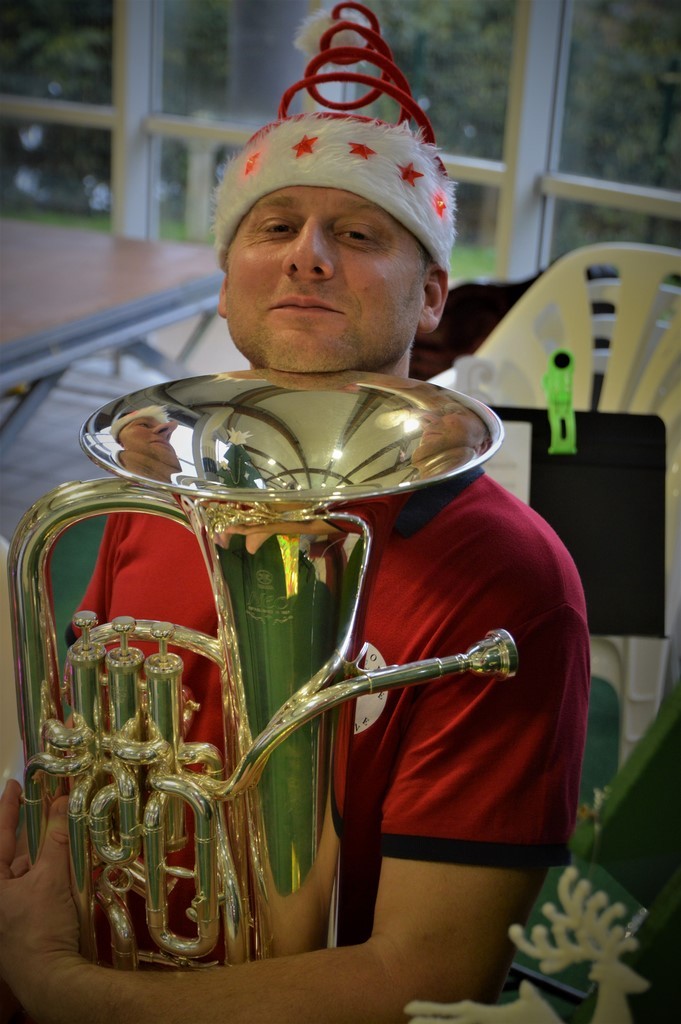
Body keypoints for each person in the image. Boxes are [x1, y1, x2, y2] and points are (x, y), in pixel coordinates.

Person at [0, 4, 590, 1023]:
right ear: (228, 284)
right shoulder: (152, 496)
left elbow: (423, 976)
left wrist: (58, 987)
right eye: (274, 226)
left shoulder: (513, 583)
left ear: (436, 294)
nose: (308, 254)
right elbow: (73, 784)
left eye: (359, 234)